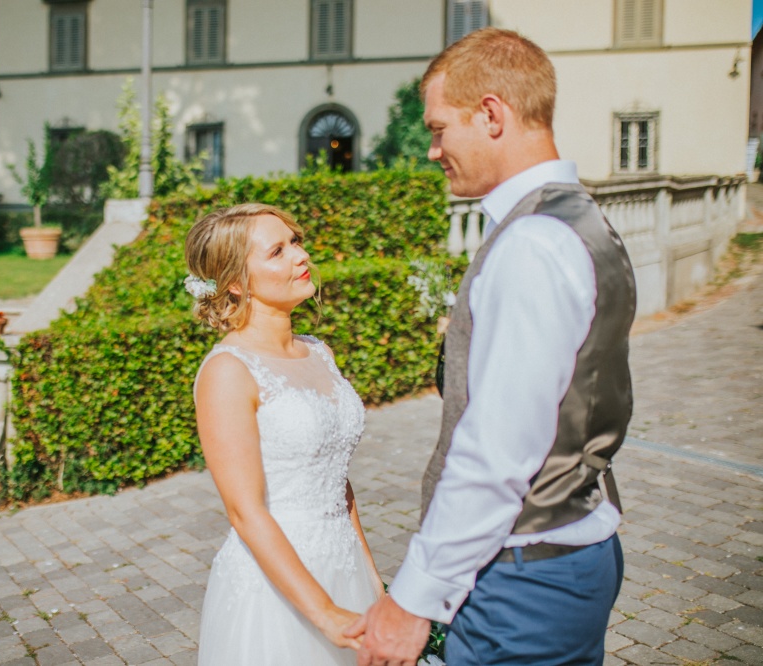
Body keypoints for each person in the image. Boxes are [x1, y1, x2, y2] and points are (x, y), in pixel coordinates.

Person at [347, 28, 635, 665]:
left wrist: (414, 599)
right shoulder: (580, 219)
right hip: (573, 551)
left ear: (492, 114)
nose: (431, 149)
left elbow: (497, 449)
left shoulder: (532, 243)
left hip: (523, 580)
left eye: (440, 128)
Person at [186, 203, 384, 665]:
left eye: (295, 242)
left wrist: (371, 576)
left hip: (346, 565)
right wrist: (326, 613)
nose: (301, 256)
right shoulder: (228, 371)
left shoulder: (320, 353)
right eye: (278, 250)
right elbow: (244, 511)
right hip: (274, 586)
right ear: (236, 282)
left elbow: (336, 478)